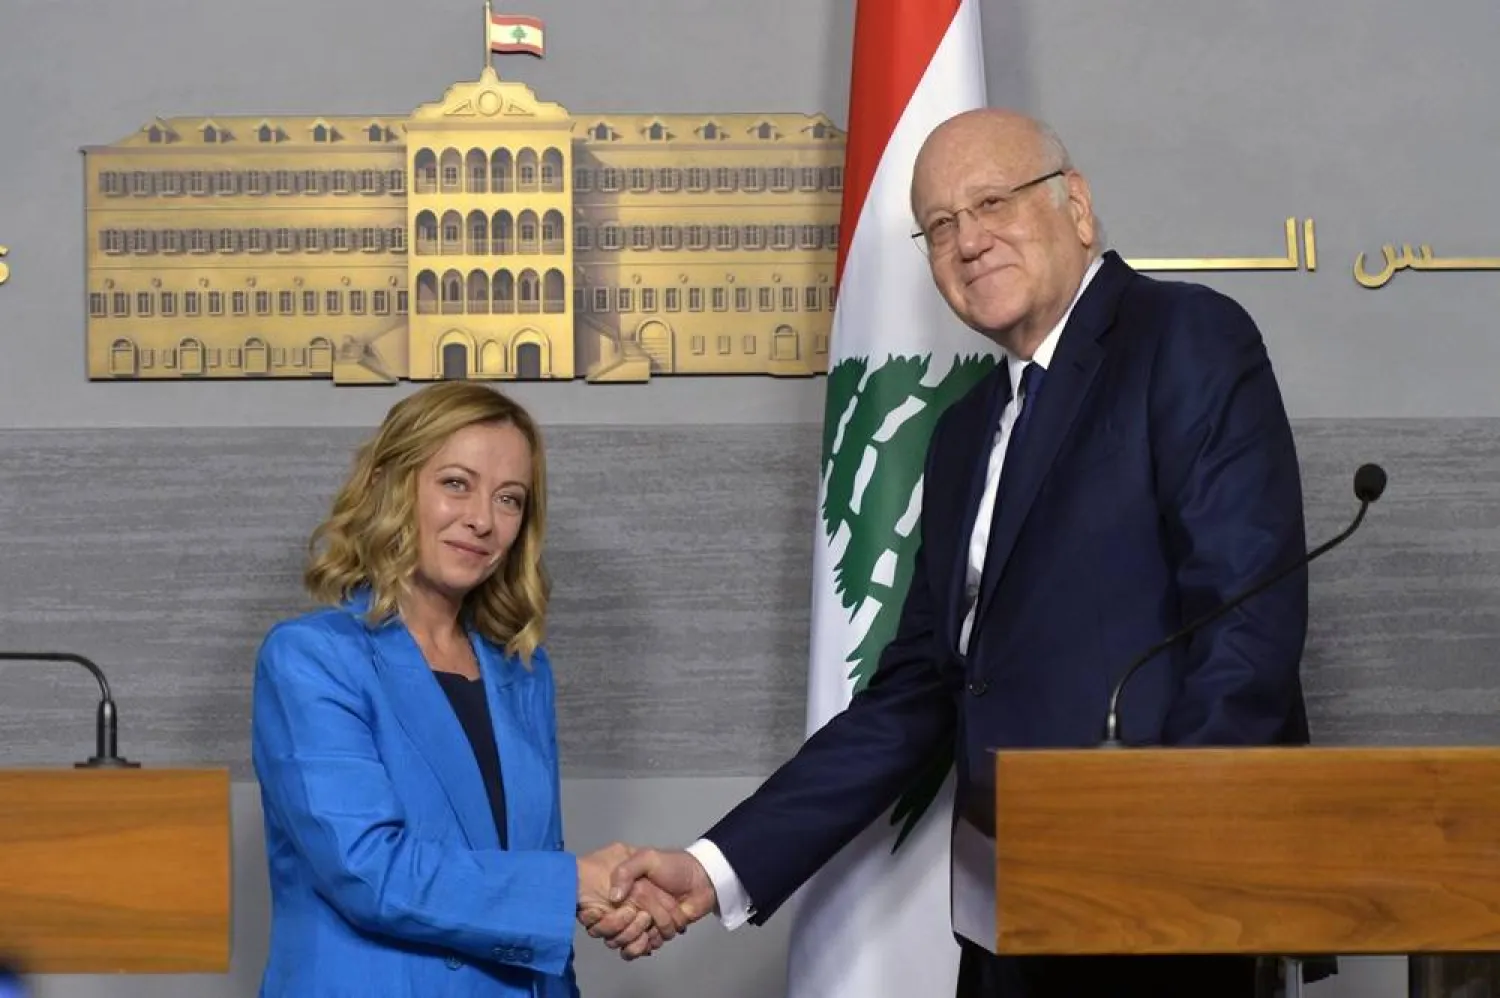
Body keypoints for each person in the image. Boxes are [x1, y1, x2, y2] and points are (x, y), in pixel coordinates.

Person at [593, 108, 1318, 997]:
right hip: (1004, 921)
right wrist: (716, 868)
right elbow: (918, 693)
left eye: (992, 202)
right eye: (939, 226)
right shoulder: (964, 430)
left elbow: (1246, 624)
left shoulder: (1185, 338)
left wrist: (1166, 863)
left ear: (1076, 205)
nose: (968, 241)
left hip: (1159, 920)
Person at [251, 382, 678, 997]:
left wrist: (604, 898)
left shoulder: (522, 670)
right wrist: (570, 885)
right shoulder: (312, 657)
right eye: (456, 483)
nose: (482, 520)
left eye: (509, 499)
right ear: (391, 485)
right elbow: (368, 870)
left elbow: (528, 869)